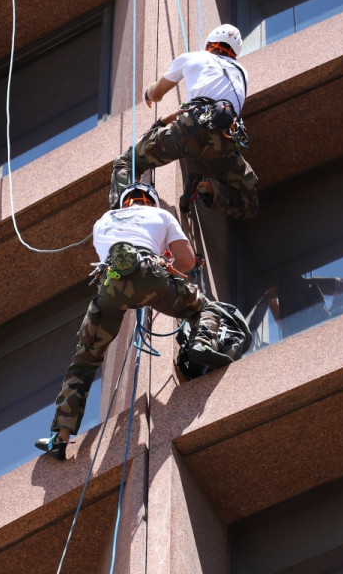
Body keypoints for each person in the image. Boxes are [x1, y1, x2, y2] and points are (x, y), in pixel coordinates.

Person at [35, 182, 251, 460]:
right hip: (150, 275)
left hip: (111, 284)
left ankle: (61, 436)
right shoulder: (161, 215)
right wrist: (167, 264)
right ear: (150, 201)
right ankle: (201, 344)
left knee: (85, 360)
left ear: (125, 202)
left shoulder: (103, 221)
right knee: (206, 308)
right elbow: (186, 262)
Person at [110, 24, 259, 220]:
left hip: (190, 129)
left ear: (209, 43)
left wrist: (148, 92)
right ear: (235, 53)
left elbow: (156, 94)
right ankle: (203, 186)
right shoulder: (242, 73)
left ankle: (126, 214)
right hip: (223, 142)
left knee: (127, 163)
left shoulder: (192, 57)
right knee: (248, 202)